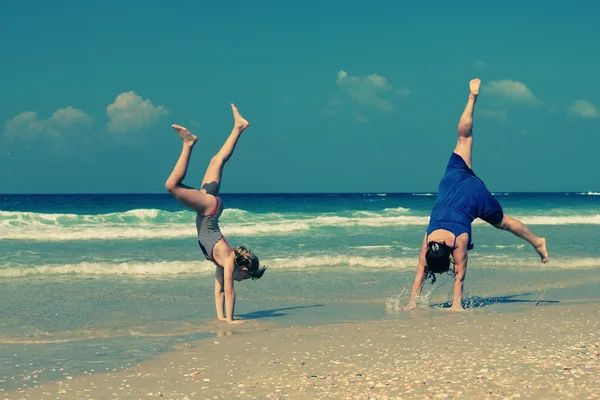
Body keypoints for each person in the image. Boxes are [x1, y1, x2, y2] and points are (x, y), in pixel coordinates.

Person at [405, 78, 548, 312]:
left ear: (448, 255)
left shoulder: (458, 243)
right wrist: (413, 302)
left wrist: (455, 306)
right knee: (464, 138)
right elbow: (423, 268)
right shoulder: (429, 239)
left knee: (504, 223)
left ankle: (537, 242)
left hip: (474, 198)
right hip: (454, 180)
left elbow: (458, 277)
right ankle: (472, 97)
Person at [165, 104, 266, 323]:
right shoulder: (228, 258)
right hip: (209, 211)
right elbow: (230, 292)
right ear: (244, 268)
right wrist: (232, 320)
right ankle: (188, 143)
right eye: (243, 278)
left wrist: (221, 319)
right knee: (172, 186)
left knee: (216, 160)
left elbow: (218, 291)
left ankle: (239, 127)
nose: (238, 280)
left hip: (209, 209)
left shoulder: (221, 262)